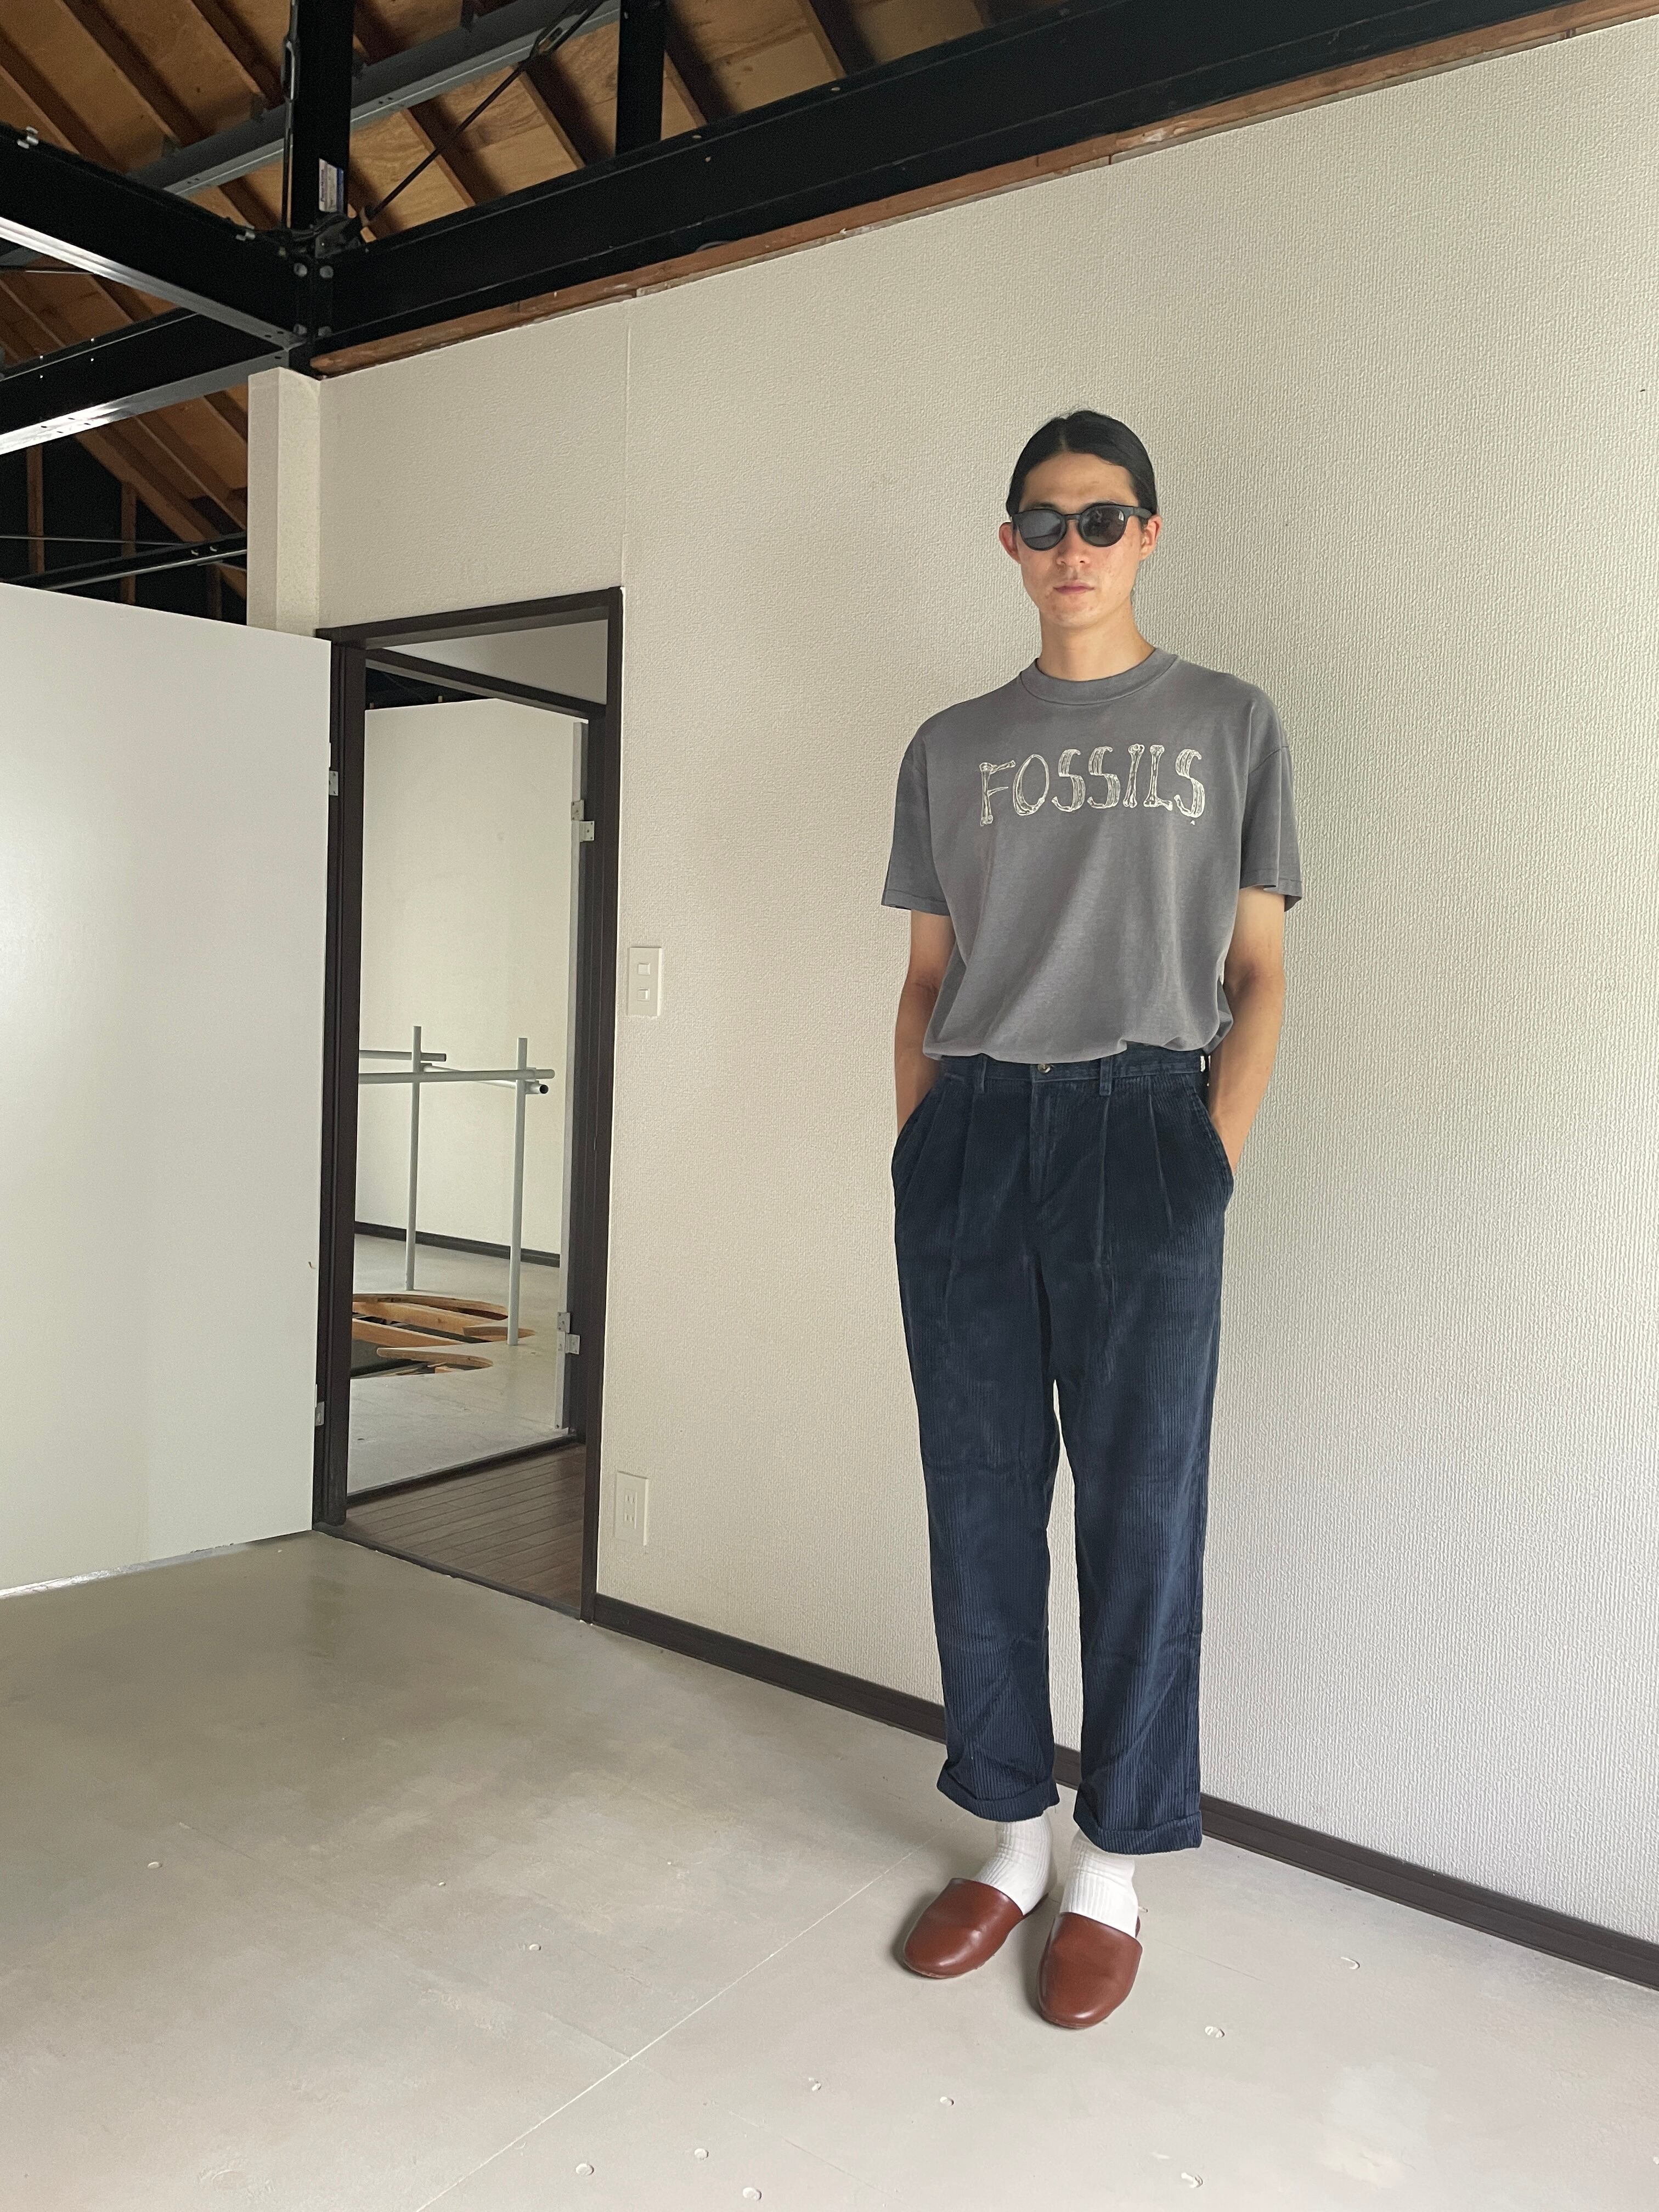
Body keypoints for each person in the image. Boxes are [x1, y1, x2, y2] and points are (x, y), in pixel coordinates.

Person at [881, 409, 1302, 2029]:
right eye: (1046, 523)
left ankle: (1112, 1864)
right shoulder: (948, 746)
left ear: (1149, 534)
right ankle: (1005, 1838)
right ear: (1010, 543)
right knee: (977, 1501)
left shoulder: (1229, 723)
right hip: (976, 1135)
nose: (1076, 549)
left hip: (1146, 1128)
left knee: (1145, 1510)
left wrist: (1208, 1159)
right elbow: (924, 982)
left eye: (1105, 519)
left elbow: (1260, 975)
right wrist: (923, 1147)